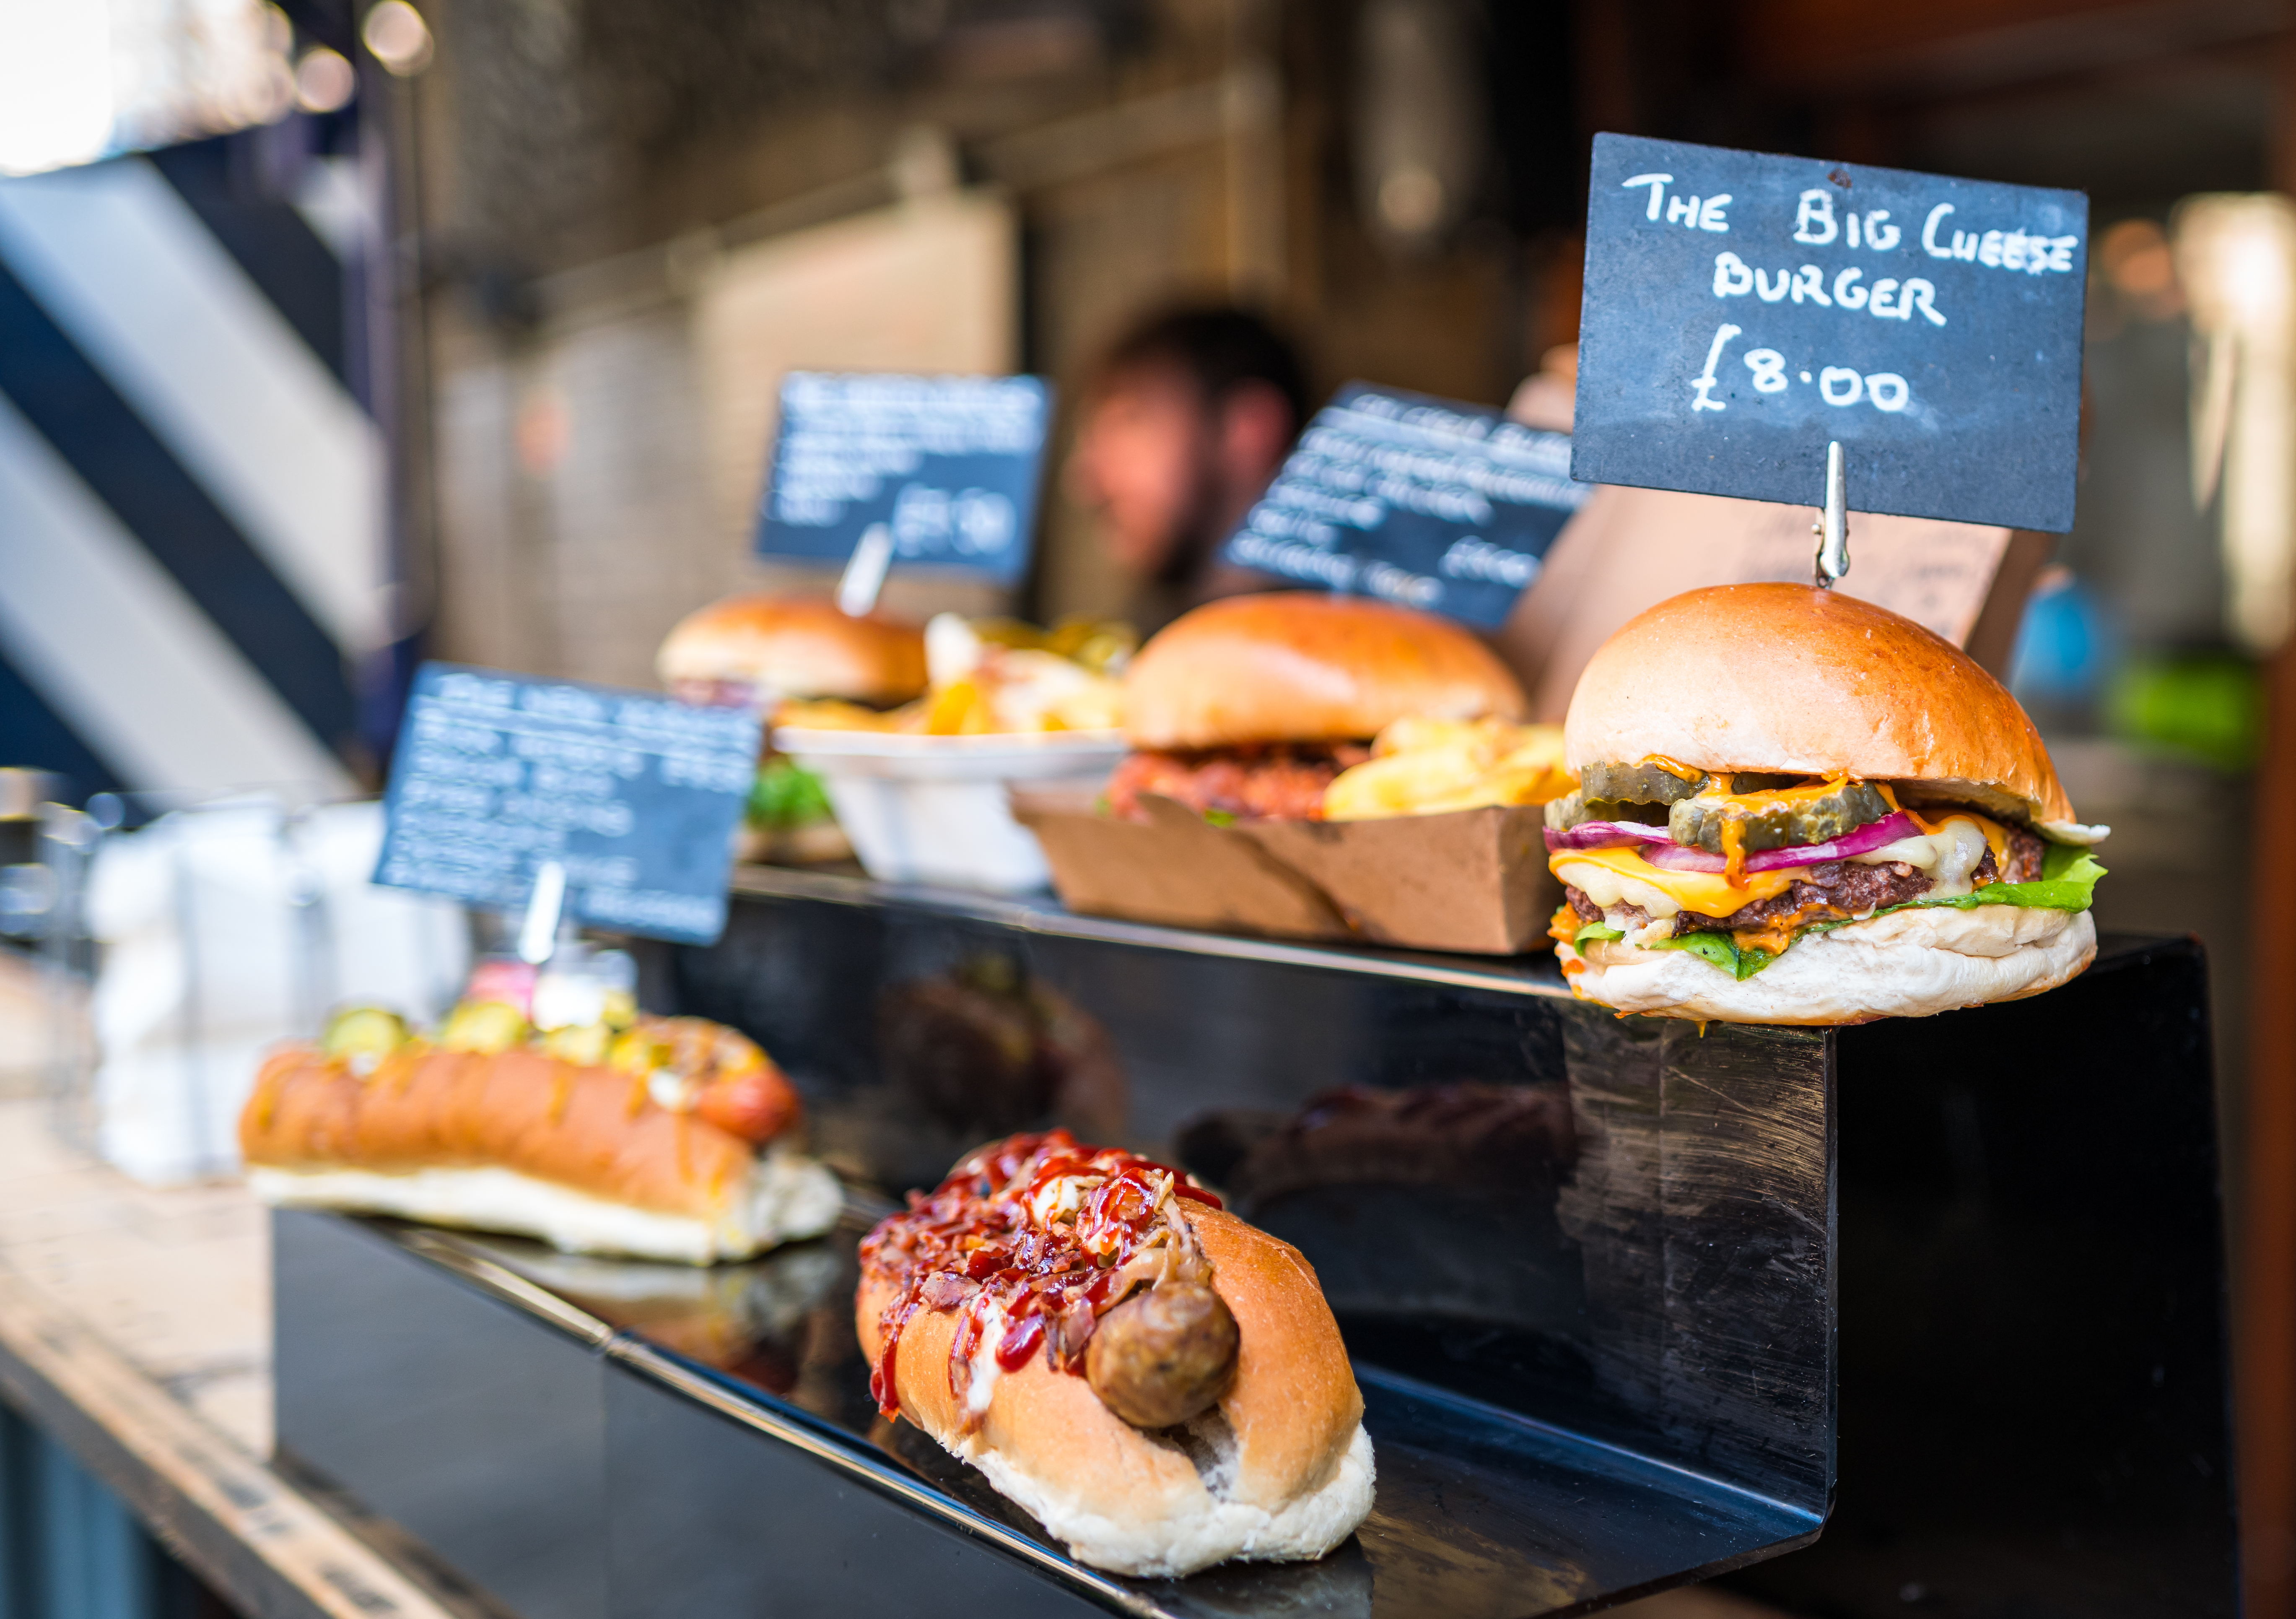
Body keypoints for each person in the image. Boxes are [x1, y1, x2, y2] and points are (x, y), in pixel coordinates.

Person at [1065, 306, 1308, 630]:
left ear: (1249, 429)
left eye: (1129, 423)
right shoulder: (1140, 645)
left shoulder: (1351, 640)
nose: (1086, 481)